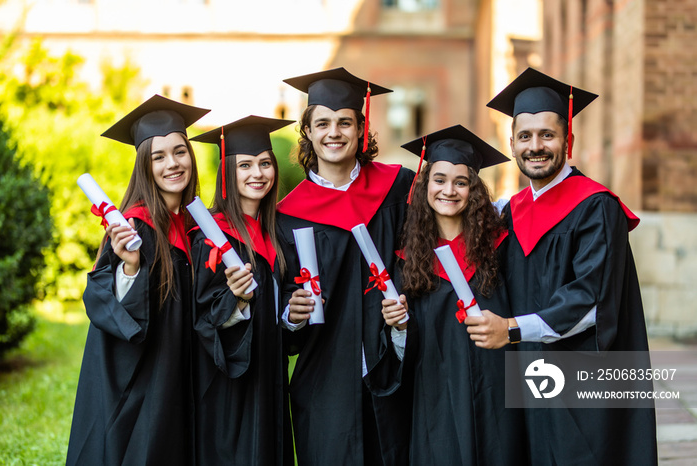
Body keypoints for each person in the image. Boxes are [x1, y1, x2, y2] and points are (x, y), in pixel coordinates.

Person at [467, 67, 657, 465]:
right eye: (525, 136)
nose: (535, 146)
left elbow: (591, 304)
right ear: (513, 144)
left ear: (567, 140)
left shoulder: (596, 208)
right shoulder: (509, 212)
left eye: (547, 135)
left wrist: (513, 329)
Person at [276, 67, 415, 465]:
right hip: (323, 383)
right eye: (322, 124)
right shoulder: (288, 215)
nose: (333, 132)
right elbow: (284, 298)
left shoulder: (398, 188)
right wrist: (292, 313)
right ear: (309, 133)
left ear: (360, 129)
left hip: (394, 370)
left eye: (343, 122)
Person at [67, 95, 209, 465]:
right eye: (158, 157)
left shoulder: (198, 227)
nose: (173, 164)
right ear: (144, 168)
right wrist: (130, 268)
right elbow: (104, 303)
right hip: (144, 380)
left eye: (180, 152)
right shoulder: (134, 228)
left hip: (184, 376)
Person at [380, 124, 525, 465]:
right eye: (440, 179)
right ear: (425, 185)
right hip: (435, 398)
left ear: (473, 190)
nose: (449, 190)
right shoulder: (408, 261)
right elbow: (404, 351)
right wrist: (397, 326)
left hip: (498, 394)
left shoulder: (500, 247)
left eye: (461, 182)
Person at [188, 116, 294, 465]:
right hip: (227, 381)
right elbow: (202, 316)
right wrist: (237, 301)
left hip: (269, 375)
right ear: (227, 174)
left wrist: (293, 315)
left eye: (265, 163)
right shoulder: (211, 238)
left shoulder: (277, 237)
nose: (257, 173)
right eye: (245, 165)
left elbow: (280, 315)